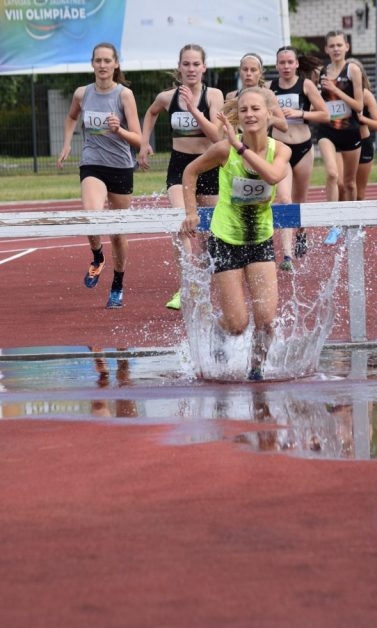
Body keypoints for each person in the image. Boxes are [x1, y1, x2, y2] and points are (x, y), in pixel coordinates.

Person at [180, 87, 292, 381]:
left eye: (256, 109)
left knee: (266, 320)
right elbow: (190, 173)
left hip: (259, 238)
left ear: (268, 113)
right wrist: (191, 213)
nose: (250, 114)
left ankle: (255, 370)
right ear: (238, 117)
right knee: (238, 323)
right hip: (225, 238)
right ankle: (220, 331)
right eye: (244, 110)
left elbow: (272, 176)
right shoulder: (223, 150)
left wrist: (241, 148)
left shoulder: (280, 149)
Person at [138, 45, 225, 310]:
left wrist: (193, 109)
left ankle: (215, 282)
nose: (191, 69)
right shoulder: (167, 98)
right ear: (179, 68)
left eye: (195, 64)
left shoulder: (214, 96)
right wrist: (143, 143)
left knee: (212, 231)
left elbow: (216, 136)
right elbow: (151, 112)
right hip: (179, 166)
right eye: (186, 64)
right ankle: (188, 284)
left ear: (204, 68)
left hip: (207, 165)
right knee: (181, 222)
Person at [56, 42, 142, 309]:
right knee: (92, 217)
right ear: (92, 63)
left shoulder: (124, 95)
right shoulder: (82, 94)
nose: (103, 65)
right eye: (98, 60)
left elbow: (138, 138)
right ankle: (97, 257)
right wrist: (68, 142)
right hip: (92, 163)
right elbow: (71, 118)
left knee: (117, 233)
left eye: (108, 61)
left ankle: (117, 283)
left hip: (120, 167)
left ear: (116, 64)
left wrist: (119, 131)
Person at [270, 46, 327, 271]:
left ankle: (301, 233)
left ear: (296, 64)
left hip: (302, 148)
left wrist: (300, 113)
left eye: (289, 62)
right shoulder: (269, 88)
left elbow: (325, 114)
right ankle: (286, 255)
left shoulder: (306, 85)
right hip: (279, 148)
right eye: (281, 63)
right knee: (284, 199)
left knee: (300, 198)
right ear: (276, 65)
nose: (285, 66)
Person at [316, 30, 364, 202]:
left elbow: (359, 106)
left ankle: (351, 226)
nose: (336, 49)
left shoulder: (353, 70)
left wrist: (335, 89)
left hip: (349, 130)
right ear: (326, 49)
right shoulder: (322, 72)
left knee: (349, 183)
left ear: (347, 47)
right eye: (332, 46)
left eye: (339, 45)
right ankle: (333, 225)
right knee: (333, 175)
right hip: (327, 131)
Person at [347, 57, 377, 203]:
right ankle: (342, 222)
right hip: (343, 144)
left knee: (359, 193)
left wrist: (362, 119)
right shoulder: (337, 95)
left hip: (363, 143)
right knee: (344, 187)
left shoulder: (366, 95)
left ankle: (358, 225)